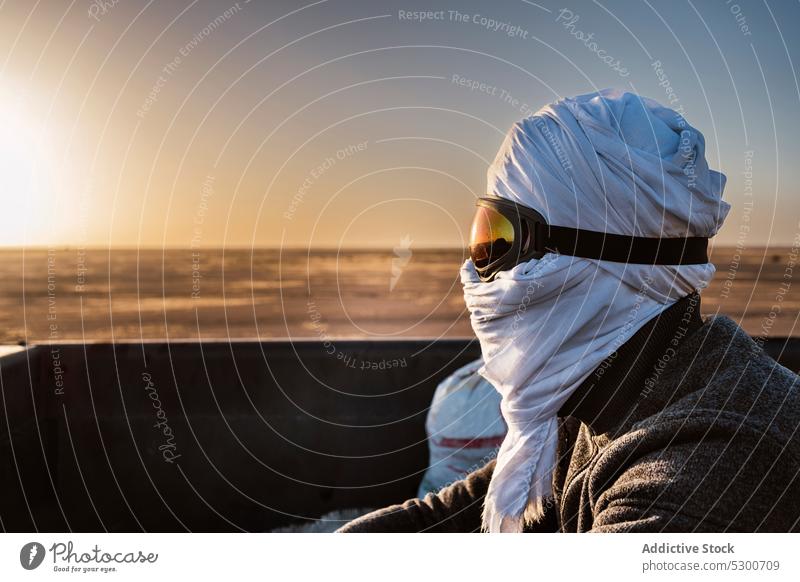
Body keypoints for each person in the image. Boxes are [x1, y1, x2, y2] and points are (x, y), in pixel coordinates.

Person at [338, 89, 800, 533]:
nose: (478, 272)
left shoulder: (710, 463)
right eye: (484, 235)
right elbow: (443, 519)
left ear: (596, 265)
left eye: (500, 241)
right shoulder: (598, 398)